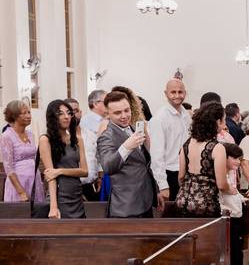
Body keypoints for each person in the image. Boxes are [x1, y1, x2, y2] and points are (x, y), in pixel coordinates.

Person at [97, 90, 161, 218]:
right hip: (126, 206)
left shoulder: (133, 129)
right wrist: (126, 147)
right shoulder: (106, 137)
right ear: (108, 113)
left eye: (126, 110)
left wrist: (156, 191)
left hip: (146, 201)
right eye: (117, 113)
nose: (124, 115)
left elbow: (144, 165)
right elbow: (108, 167)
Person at [176, 102, 229, 217]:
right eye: (224, 120)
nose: (225, 124)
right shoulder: (217, 148)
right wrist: (230, 189)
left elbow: (181, 177)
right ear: (218, 122)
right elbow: (221, 185)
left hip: (183, 201)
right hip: (205, 204)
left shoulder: (186, 144)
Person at [38, 100, 88, 218]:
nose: (66, 117)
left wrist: (60, 171)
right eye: (60, 113)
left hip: (76, 194)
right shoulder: (45, 140)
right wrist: (53, 207)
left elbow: (85, 171)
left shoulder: (78, 139)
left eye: (69, 113)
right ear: (52, 117)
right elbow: (51, 177)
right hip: (59, 195)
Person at [149, 78, 191, 202]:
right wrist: (163, 185)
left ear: (185, 93)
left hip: (187, 172)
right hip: (170, 173)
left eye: (180, 92)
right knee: (172, 211)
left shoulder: (186, 115)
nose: (177, 95)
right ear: (166, 93)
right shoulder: (159, 119)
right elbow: (156, 155)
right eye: (173, 92)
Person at [220, 143, 248, 265]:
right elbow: (220, 198)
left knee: (238, 257)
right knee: (232, 257)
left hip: (237, 218)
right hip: (227, 219)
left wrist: (241, 198)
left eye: (240, 159)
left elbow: (233, 192)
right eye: (235, 158)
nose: (238, 162)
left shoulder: (231, 172)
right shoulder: (220, 173)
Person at [1, 100, 44, 202]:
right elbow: (8, 168)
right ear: (14, 116)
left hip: (34, 180)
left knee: (38, 210)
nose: (29, 116)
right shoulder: (6, 136)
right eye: (24, 113)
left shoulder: (30, 134)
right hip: (18, 184)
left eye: (29, 112)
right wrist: (21, 192)